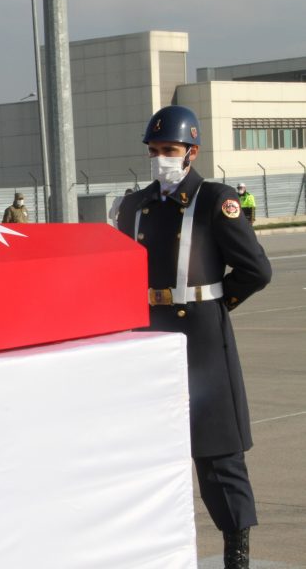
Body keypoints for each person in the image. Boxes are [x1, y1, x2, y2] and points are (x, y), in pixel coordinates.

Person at [117, 105, 272, 569]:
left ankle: (236, 556)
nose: (161, 158)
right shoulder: (136, 205)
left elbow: (256, 270)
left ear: (191, 152)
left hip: (202, 338)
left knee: (217, 457)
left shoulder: (215, 200)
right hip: (150, 335)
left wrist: (220, 306)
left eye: (170, 150)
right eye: (154, 150)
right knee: (152, 451)